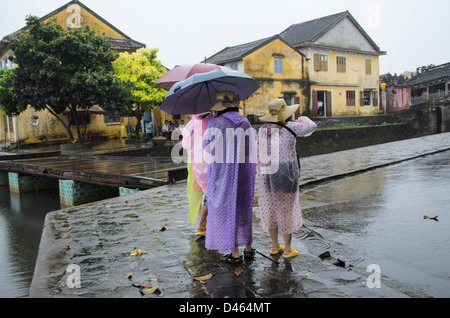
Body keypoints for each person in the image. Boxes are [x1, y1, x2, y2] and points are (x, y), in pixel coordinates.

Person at [257, 99, 316, 259]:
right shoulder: (291, 126)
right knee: (286, 208)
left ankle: (275, 246)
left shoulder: (263, 130)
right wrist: (300, 118)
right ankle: (288, 249)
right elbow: (311, 125)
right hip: (285, 171)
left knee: (271, 206)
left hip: (268, 172)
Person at [203, 91, 257, 265]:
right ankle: (248, 249)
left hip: (222, 174)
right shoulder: (245, 122)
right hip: (243, 173)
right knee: (243, 208)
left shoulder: (215, 123)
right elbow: (249, 148)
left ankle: (234, 254)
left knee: (226, 210)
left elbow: (207, 147)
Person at [182, 112, 213, 236]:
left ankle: (204, 223)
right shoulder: (214, 121)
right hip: (210, 163)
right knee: (208, 194)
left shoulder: (192, 122)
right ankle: (203, 223)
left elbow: (185, 144)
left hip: (196, 166)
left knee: (200, 193)